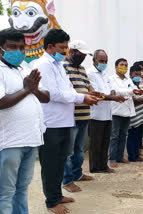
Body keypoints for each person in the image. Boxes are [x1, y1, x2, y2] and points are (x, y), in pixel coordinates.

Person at [34, 29, 99, 214]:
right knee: (50, 164)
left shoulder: (59, 65)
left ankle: (57, 194)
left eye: (66, 47)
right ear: (49, 47)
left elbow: (69, 89)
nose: (65, 51)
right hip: (51, 124)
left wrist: (86, 94)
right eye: (62, 48)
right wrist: (81, 98)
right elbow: (53, 94)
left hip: (65, 121)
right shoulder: (43, 65)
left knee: (61, 161)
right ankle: (52, 202)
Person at [0, 28, 49, 214]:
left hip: (31, 139)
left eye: (22, 47)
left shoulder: (25, 68)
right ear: (1, 49)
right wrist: (27, 89)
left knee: (22, 189)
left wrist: (33, 89)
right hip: (10, 142)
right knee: (5, 192)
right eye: (13, 47)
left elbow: (46, 97)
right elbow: (1, 102)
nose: (19, 52)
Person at [62, 40, 96, 193]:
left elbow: (87, 84)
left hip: (84, 114)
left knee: (79, 149)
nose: (82, 58)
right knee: (68, 151)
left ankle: (77, 174)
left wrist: (92, 91)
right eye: (80, 55)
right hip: (71, 115)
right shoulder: (63, 67)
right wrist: (85, 95)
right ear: (72, 51)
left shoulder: (81, 68)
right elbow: (66, 91)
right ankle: (67, 180)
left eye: (84, 56)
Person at [87, 49, 125, 173]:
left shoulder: (105, 74)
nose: (104, 63)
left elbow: (111, 89)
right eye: (101, 61)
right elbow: (97, 94)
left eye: (106, 61)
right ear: (94, 60)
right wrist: (112, 96)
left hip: (108, 113)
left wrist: (112, 94)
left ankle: (103, 165)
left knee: (105, 142)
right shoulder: (90, 73)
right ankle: (94, 167)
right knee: (96, 143)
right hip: (96, 114)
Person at [109, 58, 143, 168]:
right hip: (116, 110)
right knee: (114, 136)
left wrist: (137, 91)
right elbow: (115, 91)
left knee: (124, 135)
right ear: (116, 67)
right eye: (121, 65)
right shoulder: (111, 79)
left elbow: (133, 91)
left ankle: (120, 157)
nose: (124, 67)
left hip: (127, 110)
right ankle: (112, 158)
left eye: (125, 65)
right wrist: (131, 91)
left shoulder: (128, 79)